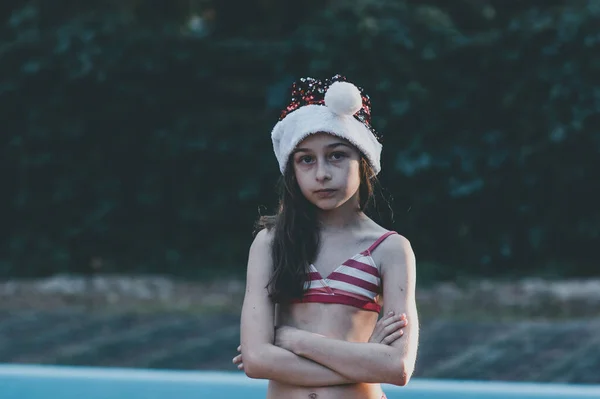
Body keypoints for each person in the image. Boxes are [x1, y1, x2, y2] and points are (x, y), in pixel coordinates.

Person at [232, 75, 419, 399]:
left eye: (336, 155)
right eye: (306, 159)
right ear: (292, 170)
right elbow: (257, 360)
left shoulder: (390, 249)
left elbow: (396, 367)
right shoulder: (271, 243)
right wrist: (364, 362)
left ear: (362, 161)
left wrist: (294, 340)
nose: (322, 173)